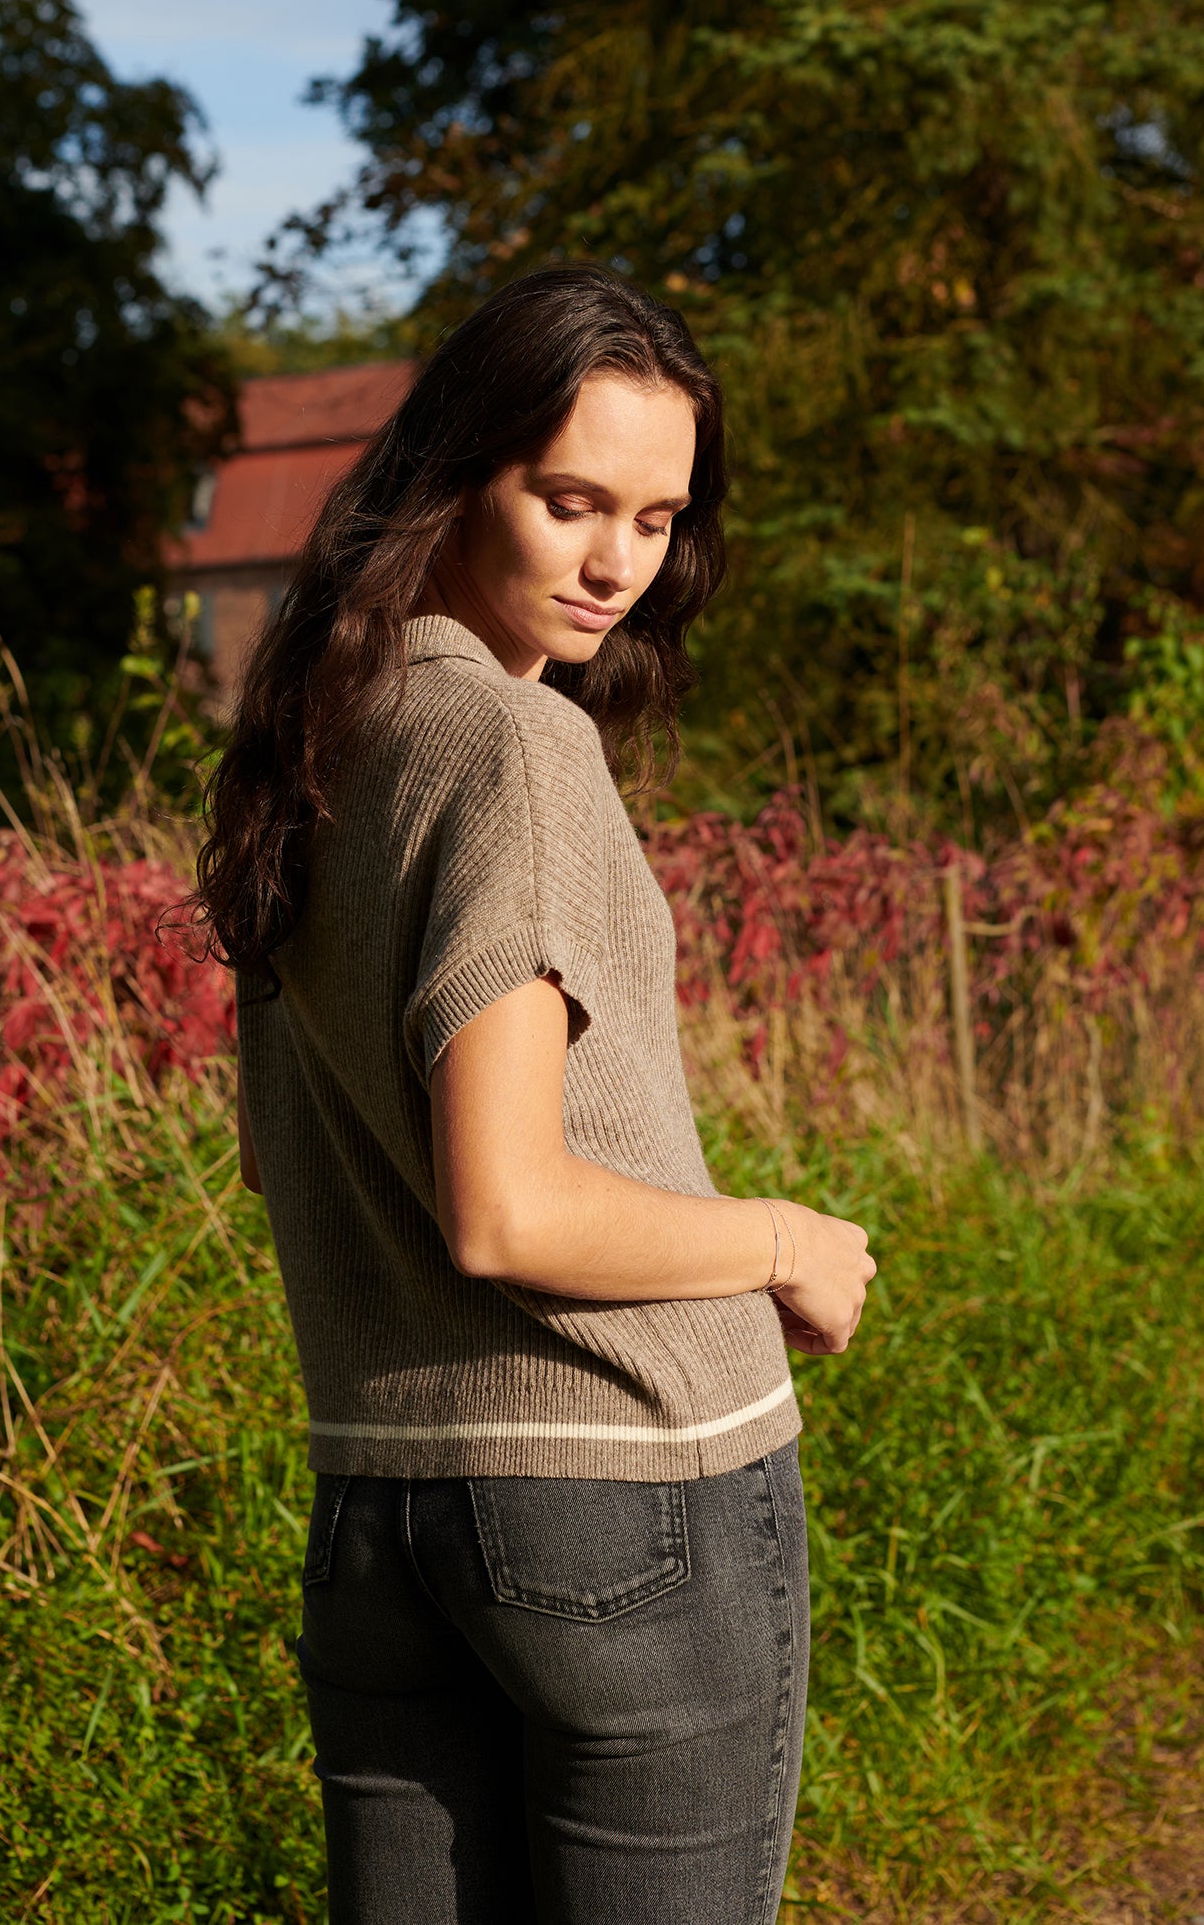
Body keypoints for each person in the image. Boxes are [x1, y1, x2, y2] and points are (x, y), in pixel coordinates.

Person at [195, 269, 877, 1925]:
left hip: (382, 1503)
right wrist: (786, 1238)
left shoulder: (318, 737)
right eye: (569, 500)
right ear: (454, 472)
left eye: (655, 516)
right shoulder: (509, 746)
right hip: (625, 1497)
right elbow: (510, 1204)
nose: (615, 565)